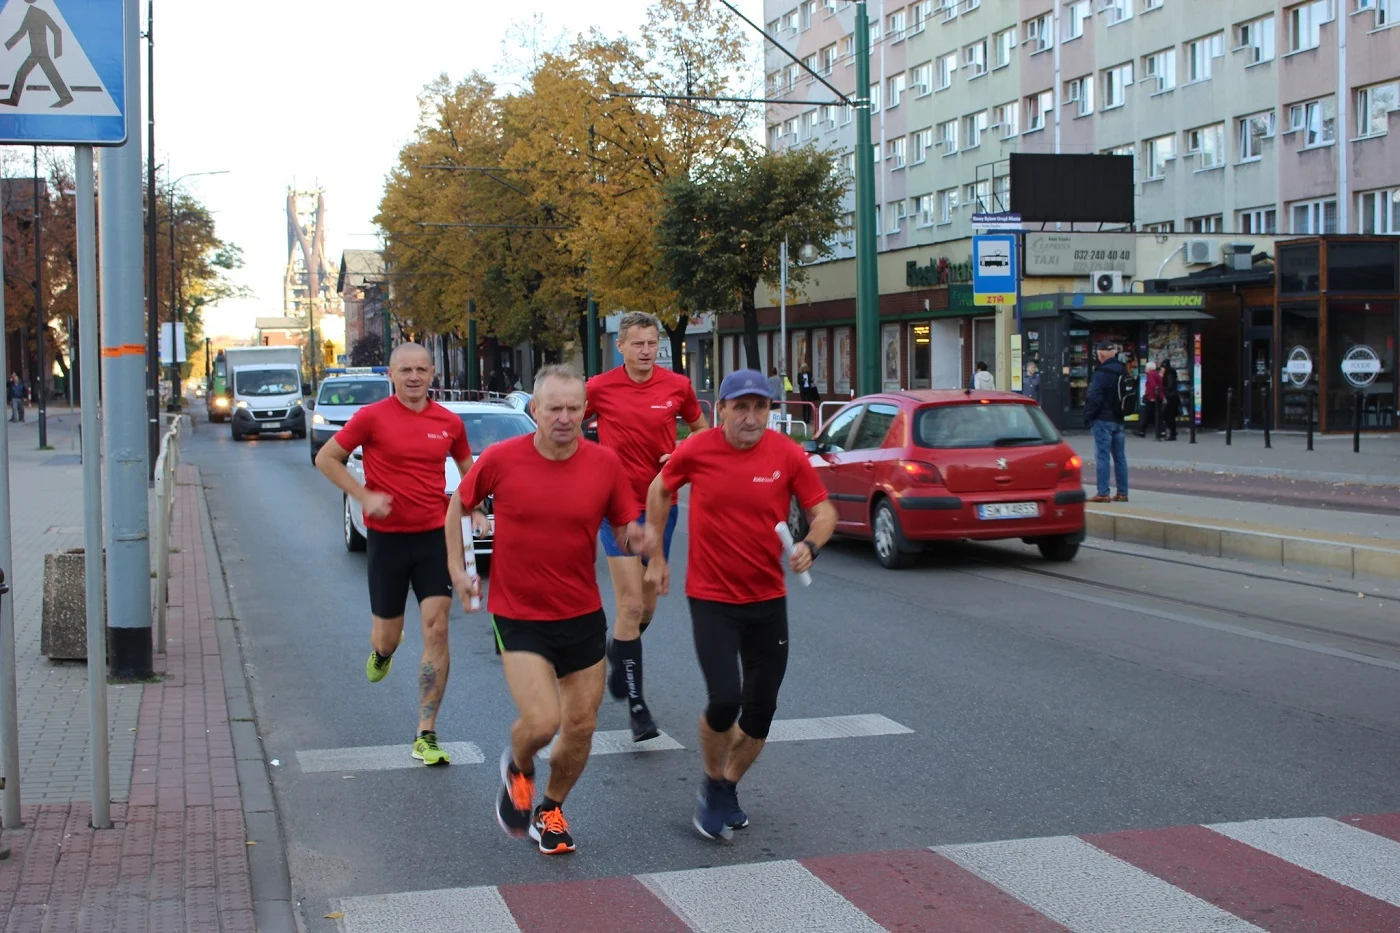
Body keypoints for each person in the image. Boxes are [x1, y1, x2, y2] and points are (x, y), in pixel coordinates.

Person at [446, 365, 642, 855]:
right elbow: (458, 505)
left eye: (574, 408)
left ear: (585, 411)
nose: (564, 418)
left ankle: (550, 809)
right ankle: (518, 766)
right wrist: (458, 569)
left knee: (581, 726)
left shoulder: (605, 465)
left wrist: (639, 539)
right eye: (554, 408)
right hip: (518, 612)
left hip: (581, 612)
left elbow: (624, 526)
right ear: (534, 409)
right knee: (541, 722)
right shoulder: (501, 458)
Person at [643, 369, 837, 841]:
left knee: (760, 710)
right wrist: (657, 556)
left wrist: (810, 545)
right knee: (725, 698)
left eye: (760, 407)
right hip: (711, 598)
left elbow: (824, 510)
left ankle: (728, 785)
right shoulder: (698, 449)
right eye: (741, 408)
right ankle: (712, 784)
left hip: (767, 600)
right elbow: (660, 488)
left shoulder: (787, 454)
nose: (751, 418)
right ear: (722, 410)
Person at [314, 342, 482, 766]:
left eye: (421, 370)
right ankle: (384, 651)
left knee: (438, 629)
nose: (414, 377)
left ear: (432, 375)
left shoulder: (448, 422)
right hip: (387, 541)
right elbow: (326, 458)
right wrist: (364, 496)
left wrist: (476, 507)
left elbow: (471, 472)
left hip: (433, 538)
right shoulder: (371, 417)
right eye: (405, 370)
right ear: (391, 375)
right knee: (386, 637)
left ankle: (426, 732)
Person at [585, 312, 707, 741]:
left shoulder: (677, 386)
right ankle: (638, 708)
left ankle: (619, 650)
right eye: (637, 343)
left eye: (653, 343)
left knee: (649, 606)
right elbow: (559, 420)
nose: (646, 351)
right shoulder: (599, 387)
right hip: (616, 508)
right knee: (632, 605)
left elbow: (701, 431)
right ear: (620, 346)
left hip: (661, 505)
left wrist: (682, 452)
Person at [1084, 341, 1129, 503]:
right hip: (1119, 418)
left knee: (1102, 456)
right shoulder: (1123, 370)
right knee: (1120, 457)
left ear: (1101, 354)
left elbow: (1094, 396)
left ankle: (1103, 493)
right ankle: (1122, 493)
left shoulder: (1102, 373)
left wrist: (1088, 415)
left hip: (1102, 419)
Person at [1139, 360, 1164, 439]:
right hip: (1157, 397)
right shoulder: (1157, 374)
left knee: (1145, 414)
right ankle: (1161, 431)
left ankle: (1142, 431)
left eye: (1146, 367)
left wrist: (1152, 397)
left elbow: (1153, 386)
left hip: (1152, 397)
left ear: (1149, 368)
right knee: (1157, 415)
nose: (1145, 369)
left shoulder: (1150, 374)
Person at [1160, 359, 1180, 441]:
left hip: (1170, 397)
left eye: (1162, 367)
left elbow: (1169, 385)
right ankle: (1172, 432)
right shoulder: (1171, 373)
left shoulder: (1169, 373)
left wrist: (1165, 391)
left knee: (1169, 416)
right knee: (1170, 416)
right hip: (1172, 396)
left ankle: (1172, 434)